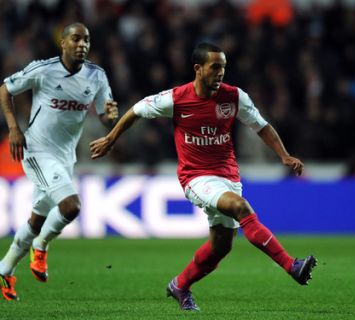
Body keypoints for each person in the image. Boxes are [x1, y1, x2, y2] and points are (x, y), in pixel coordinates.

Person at [90, 42, 317, 311]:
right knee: (240, 207)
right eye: (215, 67)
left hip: (228, 176)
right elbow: (137, 110)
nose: (220, 72)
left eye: (223, 67)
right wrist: (111, 138)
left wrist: (284, 155)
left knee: (221, 247)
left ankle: (180, 286)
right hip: (195, 177)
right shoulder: (176, 98)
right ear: (198, 69)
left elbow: (262, 126)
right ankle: (292, 265)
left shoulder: (234, 97)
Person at [0, 22, 118, 301]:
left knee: (37, 218)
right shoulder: (43, 70)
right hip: (37, 151)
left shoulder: (96, 76)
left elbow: (104, 114)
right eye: (76, 39)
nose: (82, 45)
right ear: (63, 43)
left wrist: (109, 117)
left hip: (66, 156)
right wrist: (14, 128)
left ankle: (5, 269)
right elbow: (5, 88)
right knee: (71, 205)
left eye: (86, 40)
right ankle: (40, 248)